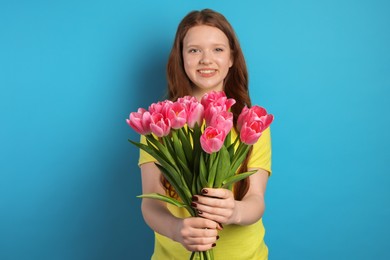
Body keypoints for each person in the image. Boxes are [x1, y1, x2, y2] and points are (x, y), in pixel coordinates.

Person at [138, 9, 272, 259]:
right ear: (181, 58)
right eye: (194, 50)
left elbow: (255, 199)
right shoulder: (160, 122)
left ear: (232, 57)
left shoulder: (250, 122)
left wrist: (234, 212)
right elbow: (151, 202)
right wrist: (177, 229)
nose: (206, 59)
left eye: (218, 49)